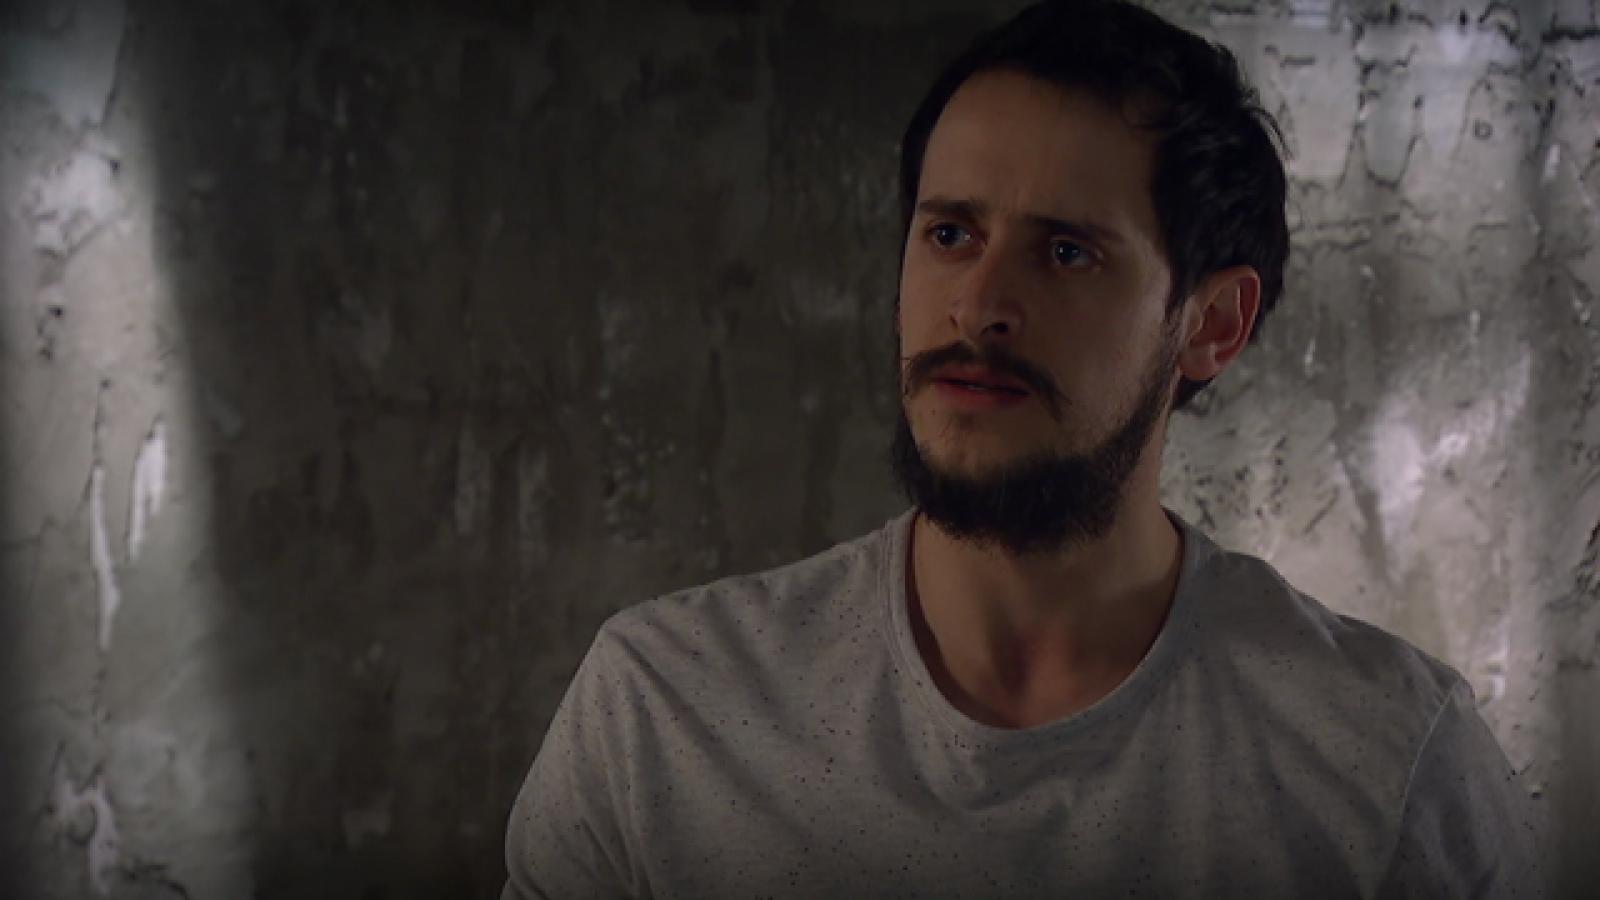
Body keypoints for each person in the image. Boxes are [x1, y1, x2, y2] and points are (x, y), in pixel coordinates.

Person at [501, 1, 1544, 896]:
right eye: (949, 234)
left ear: (1210, 323)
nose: (979, 305)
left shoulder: (1386, 767)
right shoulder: (665, 713)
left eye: (1066, 252)